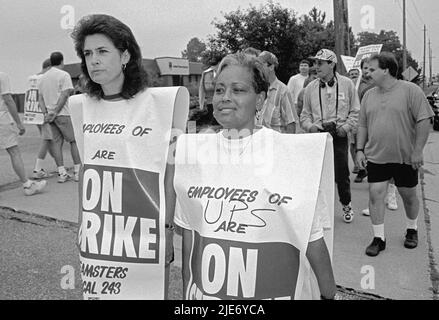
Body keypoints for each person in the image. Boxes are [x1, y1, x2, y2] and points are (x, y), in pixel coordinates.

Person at [174, 52, 337, 300]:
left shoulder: (288, 156)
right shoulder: (194, 155)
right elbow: (189, 236)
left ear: (260, 100)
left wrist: (328, 294)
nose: (225, 98)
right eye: (219, 90)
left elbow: (313, 238)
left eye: (238, 90)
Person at [69, 14, 187, 299]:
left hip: (144, 236)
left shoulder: (161, 103)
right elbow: (88, 170)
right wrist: (82, 222)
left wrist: (168, 230)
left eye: (102, 51)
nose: (93, 60)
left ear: (125, 55)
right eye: (87, 53)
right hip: (100, 233)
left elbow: (171, 171)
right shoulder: (79, 107)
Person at [356, 52, 434, 257]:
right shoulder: (368, 95)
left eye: (372, 69)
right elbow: (362, 124)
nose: (367, 72)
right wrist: (359, 150)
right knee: (376, 194)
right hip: (376, 156)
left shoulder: (411, 91)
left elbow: (424, 120)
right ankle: (378, 238)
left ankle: (412, 229)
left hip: (405, 156)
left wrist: (418, 150)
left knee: (408, 195)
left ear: (386, 70)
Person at [300, 49, 360, 223]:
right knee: (316, 175)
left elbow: (355, 110)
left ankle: (346, 204)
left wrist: (346, 128)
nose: (315, 66)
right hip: (317, 136)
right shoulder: (310, 87)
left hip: (339, 135)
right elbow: (304, 114)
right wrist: (311, 127)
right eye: (315, 63)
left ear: (331, 64)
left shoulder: (347, 84)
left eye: (320, 63)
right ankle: (318, 209)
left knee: (341, 173)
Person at [357, 58, 397, 216]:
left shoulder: (390, 87)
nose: (367, 71)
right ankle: (374, 202)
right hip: (371, 134)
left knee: (391, 168)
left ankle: (392, 194)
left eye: (371, 69)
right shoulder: (362, 87)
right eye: (365, 69)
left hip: (392, 137)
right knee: (373, 172)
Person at [0, 71, 47, 195]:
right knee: (14, 152)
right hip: (2, 119)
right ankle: (27, 184)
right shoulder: (2, 76)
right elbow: (8, 100)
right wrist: (18, 122)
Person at [38, 51, 81, 182]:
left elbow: (40, 97)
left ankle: (61, 173)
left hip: (50, 115)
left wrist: (46, 113)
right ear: (62, 61)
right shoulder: (64, 75)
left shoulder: (43, 77)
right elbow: (65, 94)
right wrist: (56, 111)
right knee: (73, 141)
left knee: (56, 143)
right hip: (63, 113)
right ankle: (78, 171)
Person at [28, 58, 57, 179]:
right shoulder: (45, 78)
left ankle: (59, 165)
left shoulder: (32, 78)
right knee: (47, 139)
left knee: (50, 140)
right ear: (50, 67)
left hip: (33, 112)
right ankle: (37, 169)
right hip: (43, 112)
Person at [258, 51, 298, 133]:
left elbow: (291, 123)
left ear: (271, 67)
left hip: (276, 142)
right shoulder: (256, 89)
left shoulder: (283, 91)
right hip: (258, 142)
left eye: (261, 65)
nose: (257, 69)